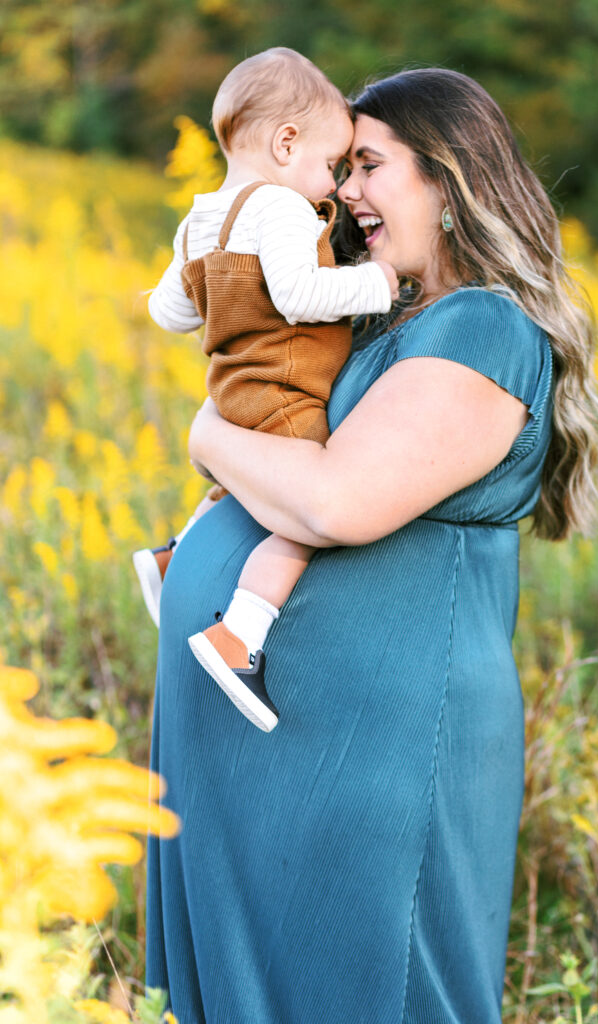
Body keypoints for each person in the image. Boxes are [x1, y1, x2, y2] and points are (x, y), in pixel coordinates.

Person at [146, 66, 598, 1023]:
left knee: (371, 983)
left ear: (446, 181)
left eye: (367, 165)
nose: (343, 190)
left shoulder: (479, 327)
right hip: (272, 745)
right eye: (340, 166)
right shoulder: (374, 320)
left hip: (374, 752)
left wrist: (205, 435)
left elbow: (336, 505)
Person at [134, 48, 398, 731]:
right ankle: (241, 635)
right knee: (304, 514)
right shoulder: (279, 208)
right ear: (286, 143)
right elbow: (298, 293)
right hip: (284, 383)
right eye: (329, 165)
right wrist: (377, 283)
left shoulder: (198, 220)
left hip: (231, 387)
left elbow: (170, 313)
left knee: (244, 480)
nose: (332, 187)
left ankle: (173, 557)